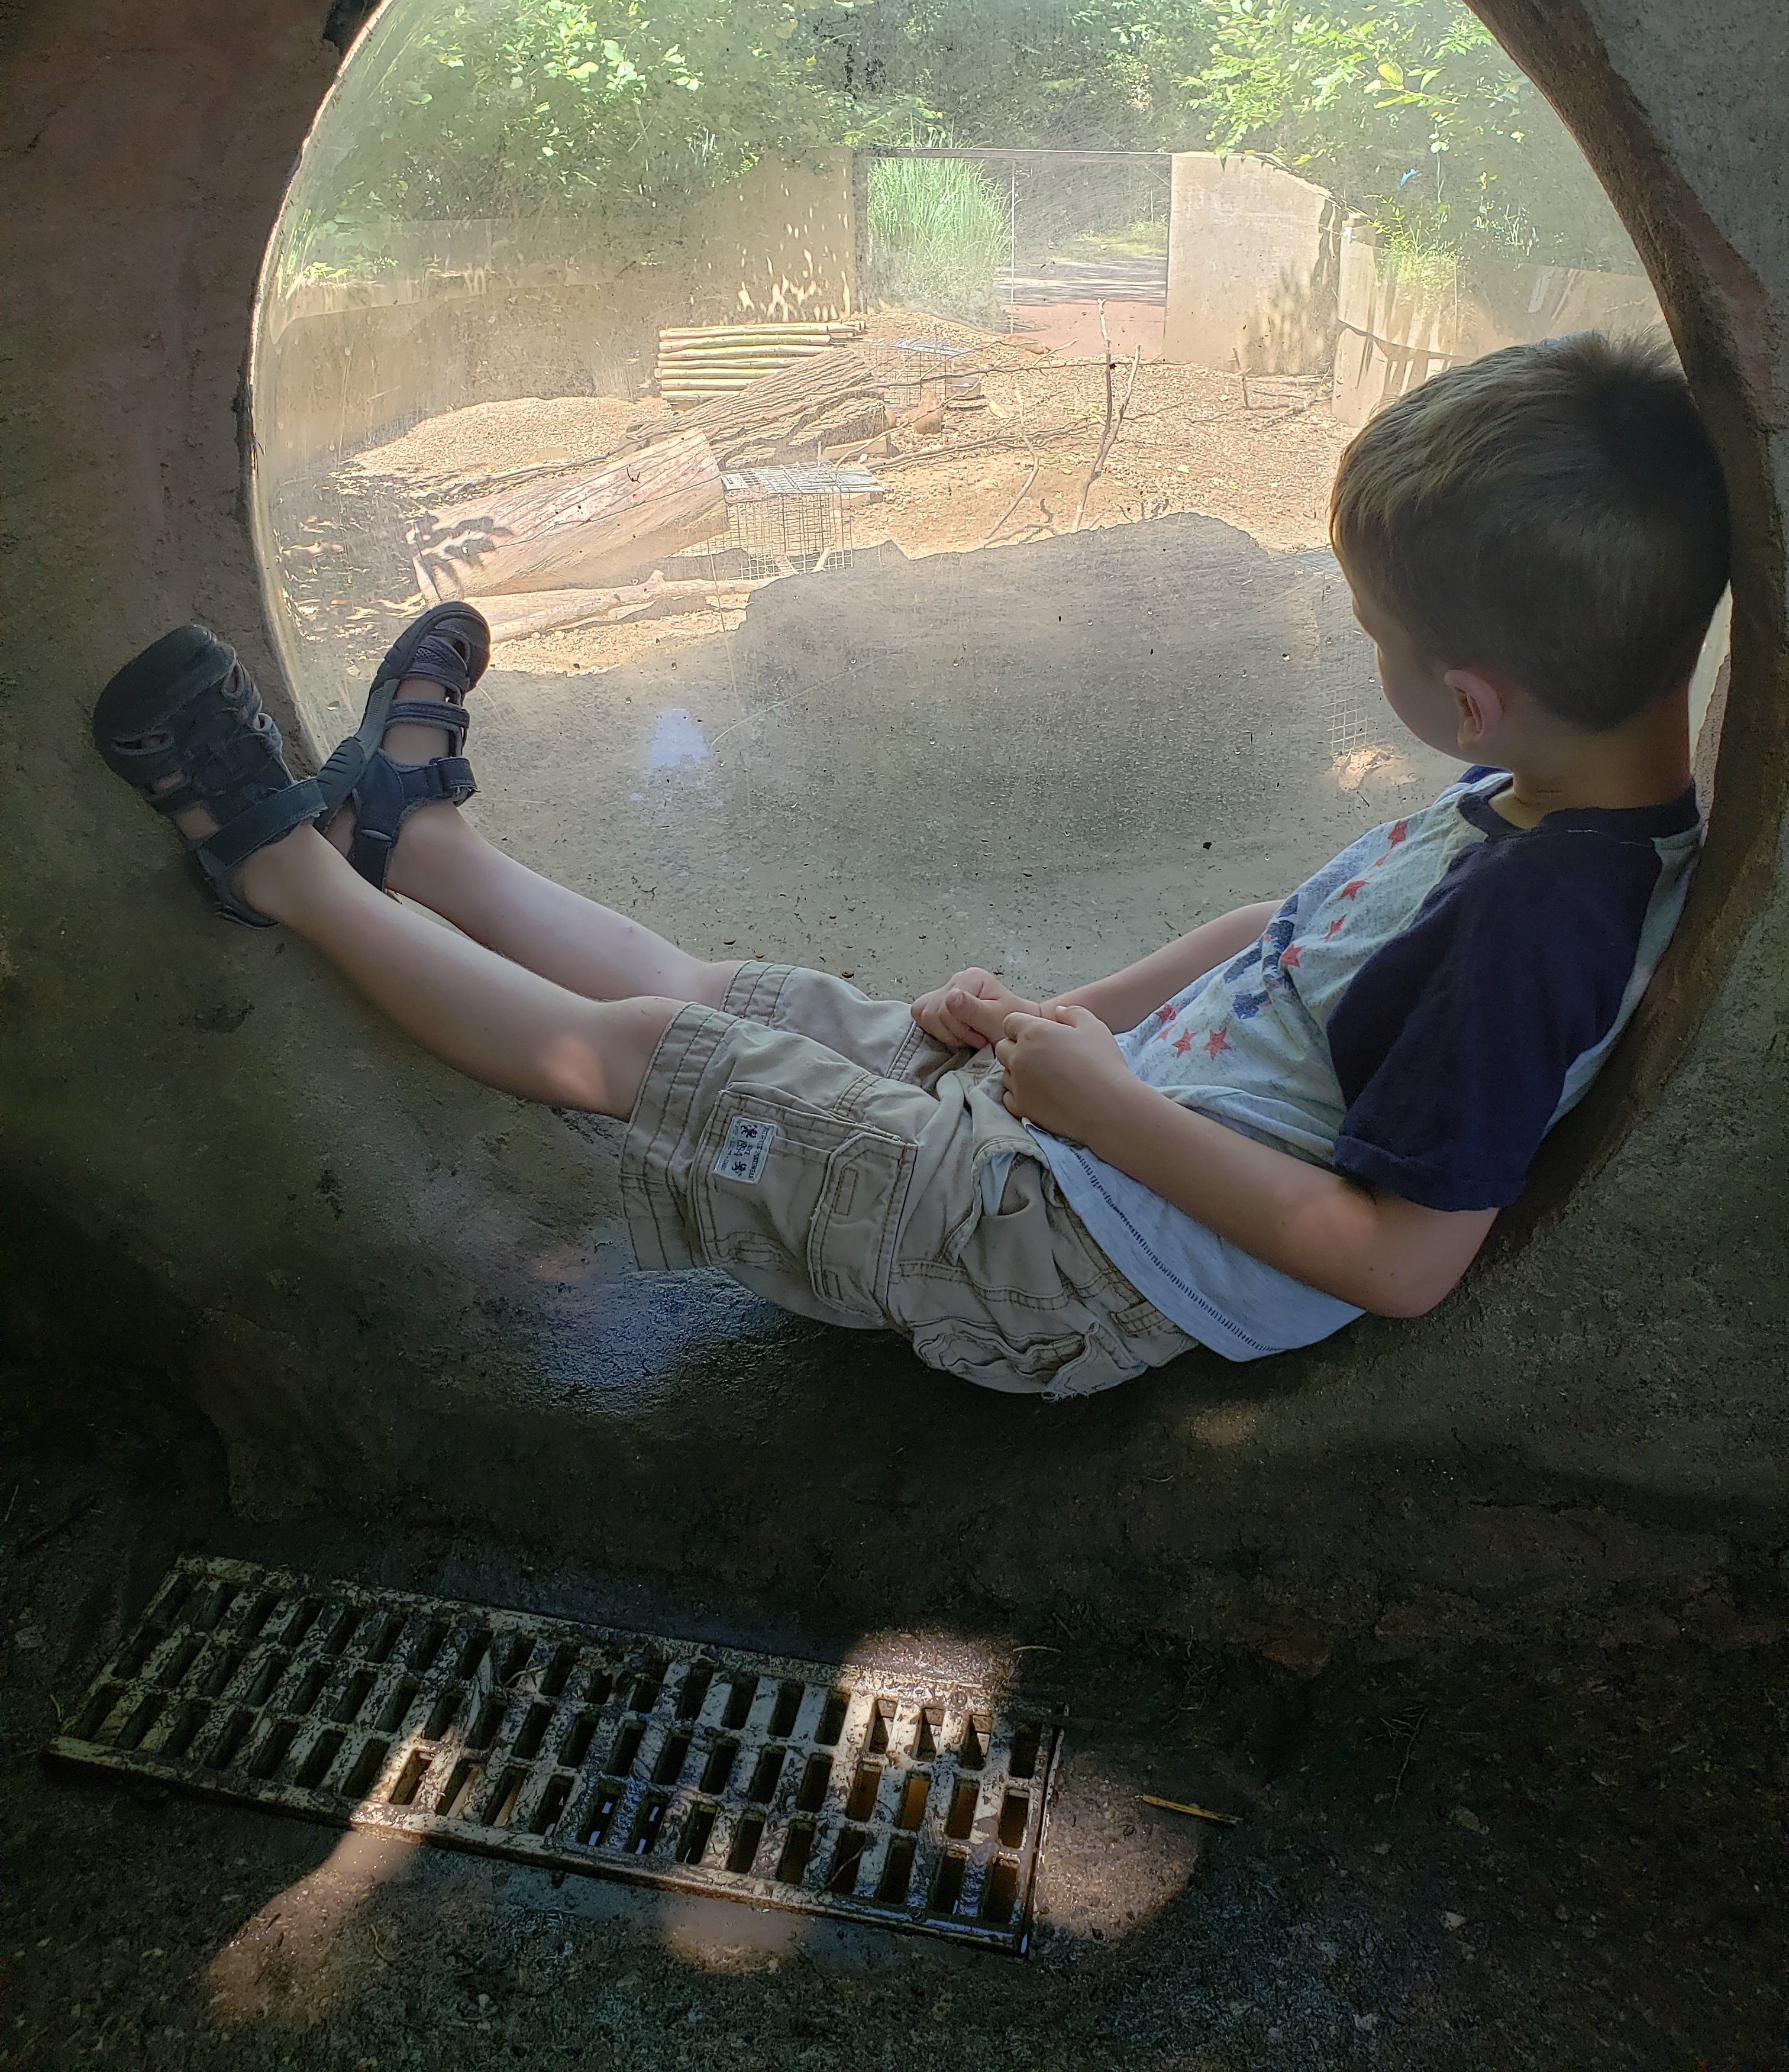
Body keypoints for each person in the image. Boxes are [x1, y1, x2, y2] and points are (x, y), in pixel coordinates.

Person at [93, 335, 1728, 1398]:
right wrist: (1055, 1025)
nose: (1361, 653)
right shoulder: (1551, 786)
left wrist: (1101, 1105)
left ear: (1468, 698)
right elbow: (1276, 932)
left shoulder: (1545, 930)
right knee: (733, 995)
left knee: (655, 1057)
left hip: (1061, 1261)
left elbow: (1402, 1261)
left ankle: (289, 876)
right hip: (1080, 1129)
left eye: (1374, 636)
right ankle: (423, 848)